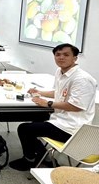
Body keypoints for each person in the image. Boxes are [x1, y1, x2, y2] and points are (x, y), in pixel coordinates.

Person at [9, 43, 97, 171]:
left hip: (72, 129)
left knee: (24, 129)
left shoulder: (82, 79)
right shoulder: (60, 72)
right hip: (60, 119)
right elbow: (58, 92)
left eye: (66, 55)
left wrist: (48, 103)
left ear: (75, 58)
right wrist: (39, 92)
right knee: (36, 118)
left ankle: (29, 160)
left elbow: (76, 106)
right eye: (58, 55)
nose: (61, 57)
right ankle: (43, 156)